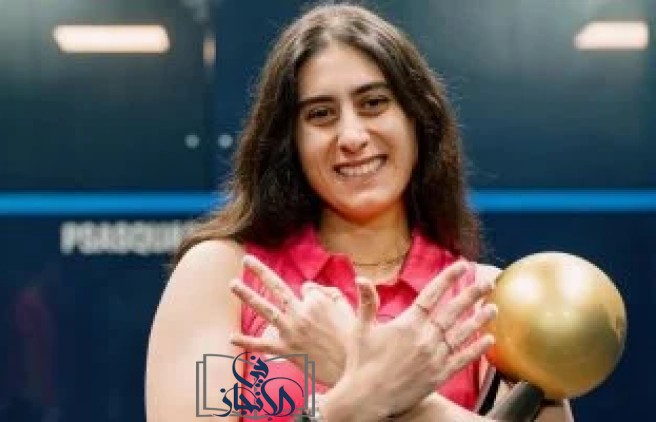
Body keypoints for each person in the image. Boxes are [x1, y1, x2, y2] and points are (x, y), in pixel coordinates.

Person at [146, 3, 572, 421]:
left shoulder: (487, 301)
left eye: (373, 103)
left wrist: (353, 363)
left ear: (417, 117)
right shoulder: (231, 278)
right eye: (321, 114)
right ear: (290, 141)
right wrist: (355, 399)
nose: (351, 136)